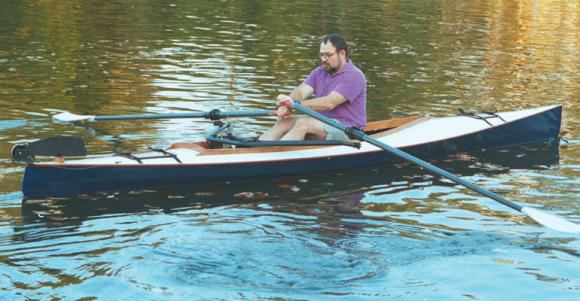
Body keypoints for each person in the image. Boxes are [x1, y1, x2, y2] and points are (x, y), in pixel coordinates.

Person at [259, 33, 366, 141]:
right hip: (321, 123)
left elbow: (329, 103)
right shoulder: (320, 71)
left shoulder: (354, 76)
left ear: (342, 53)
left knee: (304, 123)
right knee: (284, 121)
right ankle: (257, 150)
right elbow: (301, 92)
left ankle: (279, 155)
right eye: (322, 55)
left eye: (328, 55)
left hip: (347, 130)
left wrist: (294, 104)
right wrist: (286, 105)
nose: (324, 59)